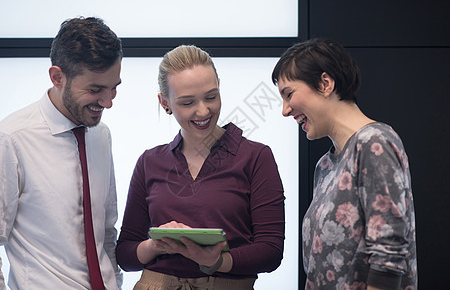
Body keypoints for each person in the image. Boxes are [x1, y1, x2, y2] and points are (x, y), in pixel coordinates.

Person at [116, 45, 285, 289]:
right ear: (165, 102)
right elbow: (125, 255)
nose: (203, 111)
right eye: (187, 103)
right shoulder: (149, 162)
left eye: (211, 97)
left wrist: (216, 261)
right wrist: (155, 245)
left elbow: (271, 251)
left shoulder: (256, 157)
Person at [271, 38, 417, 290]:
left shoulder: (374, 142)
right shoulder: (325, 165)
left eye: (289, 94)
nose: (285, 110)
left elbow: (389, 253)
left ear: (325, 84)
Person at [0, 17, 123, 289]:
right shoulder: (11, 139)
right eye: (95, 90)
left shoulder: (101, 135)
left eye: (114, 87)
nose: (108, 102)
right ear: (57, 77)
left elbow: (106, 232)